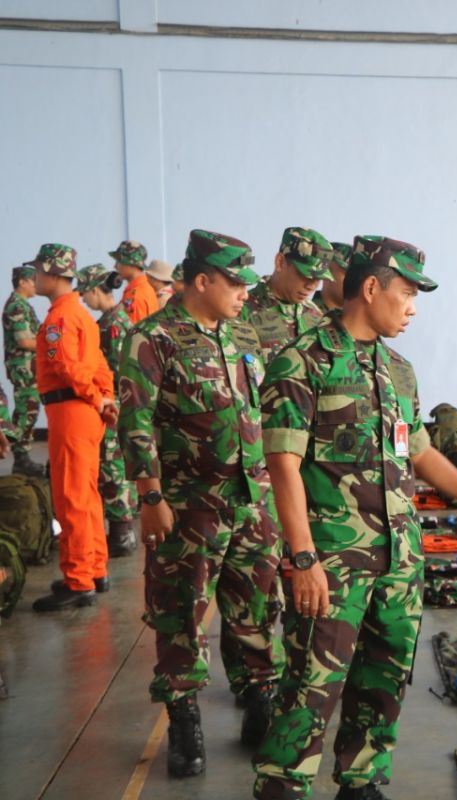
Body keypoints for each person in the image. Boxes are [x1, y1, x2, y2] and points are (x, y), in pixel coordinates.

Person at [252, 235, 457, 800]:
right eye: (406, 293)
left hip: (400, 563)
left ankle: (362, 782)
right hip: (332, 565)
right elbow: (282, 466)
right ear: (371, 287)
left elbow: (419, 453)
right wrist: (302, 559)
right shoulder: (302, 362)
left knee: (383, 683)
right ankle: (282, 786)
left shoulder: (398, 370)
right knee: (310, 688)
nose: (413, 307)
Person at [119, 229, 283, 777]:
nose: (243, 292)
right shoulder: (153, 337)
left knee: (255, 607)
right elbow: (135, 421)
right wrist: (150, 496)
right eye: (234, 282)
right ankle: (184, 717)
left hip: (250, 501)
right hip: (190, 506)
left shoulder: (241, 338)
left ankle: (260, 703)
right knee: (180, 613)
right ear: (202, 280)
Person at [27, 244, 116, 612]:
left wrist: (97, 400)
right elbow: (98, 368)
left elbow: (67, 368)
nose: (33, 277)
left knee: (71, 496)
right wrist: (105, 399)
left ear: (51, 273)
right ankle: (94, 569)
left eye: (37, 271)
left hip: (71, 411)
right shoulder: (79, 315)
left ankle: (78, 581)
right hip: (85, 413)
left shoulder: (60, 320)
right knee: (88, 494)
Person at [77, 264, 137, 558]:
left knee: (112, 466)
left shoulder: (113, 325)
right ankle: (122, 527)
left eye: (85, 294)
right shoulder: (112, 320)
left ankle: (122, 532)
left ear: (96, 290)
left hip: (115, 402)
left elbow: (117, 370)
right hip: (116, 401)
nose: (83, 300)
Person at [241, 227, 332, 364]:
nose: (312, 286)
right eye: (305, 275)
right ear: (280, 262)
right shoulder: (243, 310)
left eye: (318, 278)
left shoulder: (317, 317)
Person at [3, 263, 43, 476]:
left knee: (28, 411)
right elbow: (25, 341)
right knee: (26, 411)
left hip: (30, 367)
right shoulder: (16, 306)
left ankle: (21, 454)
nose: (37, 284)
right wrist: (50, 344)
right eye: (32, 280)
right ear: (22, 282)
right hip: (24, 368)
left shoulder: (23, 304)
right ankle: (21, 456)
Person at [111, 240, 160, 325]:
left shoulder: (135, 296)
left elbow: (134, 335)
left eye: (118, 261)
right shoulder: (146, 287)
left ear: (130, 263)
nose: (115, 266)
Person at [313, 241, 351, 315]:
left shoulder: (357, 322)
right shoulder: (301, 318)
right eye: (348, 274)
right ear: (326, 270)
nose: (354, 280)